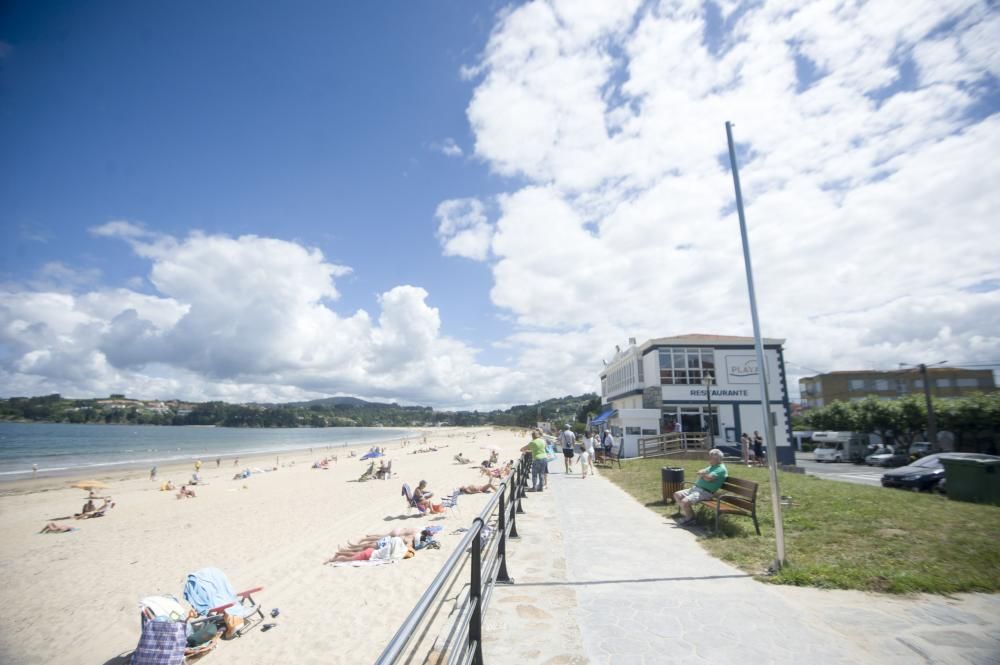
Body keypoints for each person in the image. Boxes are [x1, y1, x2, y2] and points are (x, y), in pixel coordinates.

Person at [672, 449, 728, 526]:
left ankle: (690, 518)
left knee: (685, 502)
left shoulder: (720, 469)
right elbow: (700, 472)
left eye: (710, 457)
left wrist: (703, 475)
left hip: (705, 492)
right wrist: (704, 475)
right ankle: (691, 516)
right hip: (696, 489)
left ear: (716, 459)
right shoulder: (712, 466)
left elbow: (708, 478)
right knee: (677, 494)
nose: (709, 459)